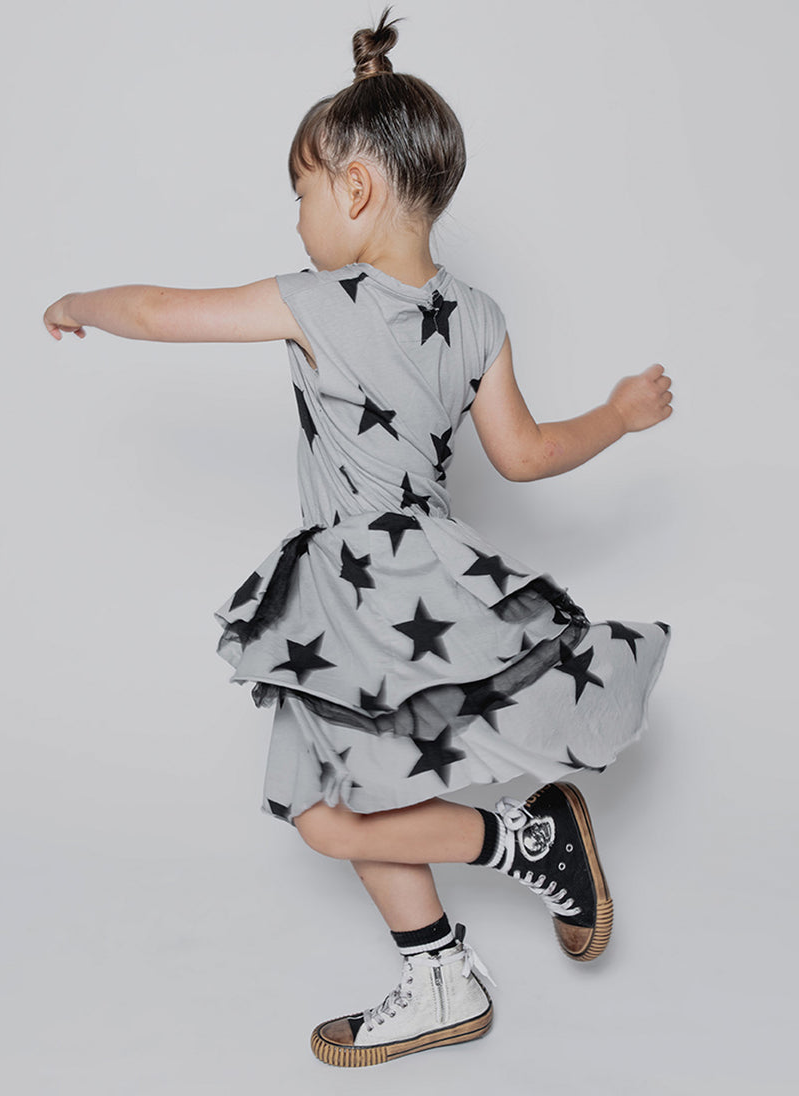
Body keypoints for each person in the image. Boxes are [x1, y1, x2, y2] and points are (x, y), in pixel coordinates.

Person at [43, 8, 672, 1069]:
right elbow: (523, 456)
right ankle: (443, 964)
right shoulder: (477, 314)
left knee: (326, 807)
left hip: (353, 592)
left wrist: (76, 301)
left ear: (356, 188)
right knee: (348, 797)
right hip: (434, 578)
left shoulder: (316, 301)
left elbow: (154, 310)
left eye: (299, 193)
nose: (295, 219)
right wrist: (614, 415)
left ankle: (522, 846)